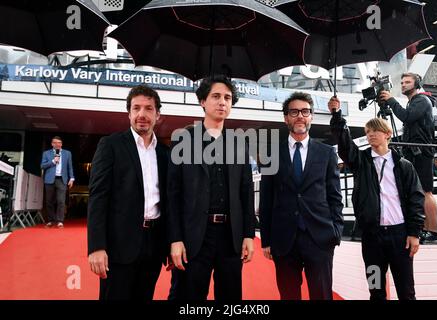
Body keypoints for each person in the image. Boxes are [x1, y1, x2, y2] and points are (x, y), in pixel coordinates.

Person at [167, 74, 255, 300]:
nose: (222, 102)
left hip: (230, 237)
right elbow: (173, 194)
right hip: (194, 237)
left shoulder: (239, 142)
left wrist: (248, 234)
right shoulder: (183, 139)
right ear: (202, 102)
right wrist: (175, 239)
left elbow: (246, 192)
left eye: (227, 97)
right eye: (215, 96)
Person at [329, 96, 425, 300]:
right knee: (376, 290)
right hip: (372, 238)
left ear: (388, 134)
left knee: (406, 291)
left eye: (376, 131)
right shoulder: (361, 161)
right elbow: (345, 146)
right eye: (368, 132)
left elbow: (416, 200)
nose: (371, 135)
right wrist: (337, 116)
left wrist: (415, 233)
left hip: (401, 237)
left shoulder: (404, 165)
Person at [259, 92, 344, 300]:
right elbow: (266, 198)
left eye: (305, 111)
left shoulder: (326, 153)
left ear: (312, 116)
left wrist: (336, 231)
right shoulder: (272, 154)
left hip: (320, 237)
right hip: (283, 239)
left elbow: (335, 196)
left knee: (322, 295)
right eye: (294, 112)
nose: (300, 116)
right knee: (288, 295)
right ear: (286, 117)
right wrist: (266, 240)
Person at [87, 85, 168, 300]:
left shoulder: (164, 153)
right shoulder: (111, 145)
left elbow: (168, 201)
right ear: (129, 114)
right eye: (136, 108)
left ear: (158, 115)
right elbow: (98, 197)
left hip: (154, 244)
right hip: (118, 246)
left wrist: (169, 243)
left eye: (149, 108)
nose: (142, 114)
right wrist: (96, 247)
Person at [379, 72, 437, 243]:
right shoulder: (414, 101)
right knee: (418, 191)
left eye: (407, 82)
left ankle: (433, 231)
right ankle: (423, 228)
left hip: (422, 152)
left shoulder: (422, 100)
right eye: (402, 82)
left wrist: (391, 101)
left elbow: (407, 116)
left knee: (426, 191)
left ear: (417, 84)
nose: (403, 84)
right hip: (414, 151)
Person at [41, 136, 74, 228]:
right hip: (49, 179)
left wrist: (72, 178)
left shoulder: (67, 153)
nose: (57, 144)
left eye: (59, 143)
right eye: (55, 143)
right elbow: (42, 166)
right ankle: (51, 220)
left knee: (61, 201)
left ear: (61, 144)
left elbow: (69, 166)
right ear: (52, 144)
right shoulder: (46, 153)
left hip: (62, 179)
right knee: (49, 201)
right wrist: (53, 161)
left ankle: (60, 221)